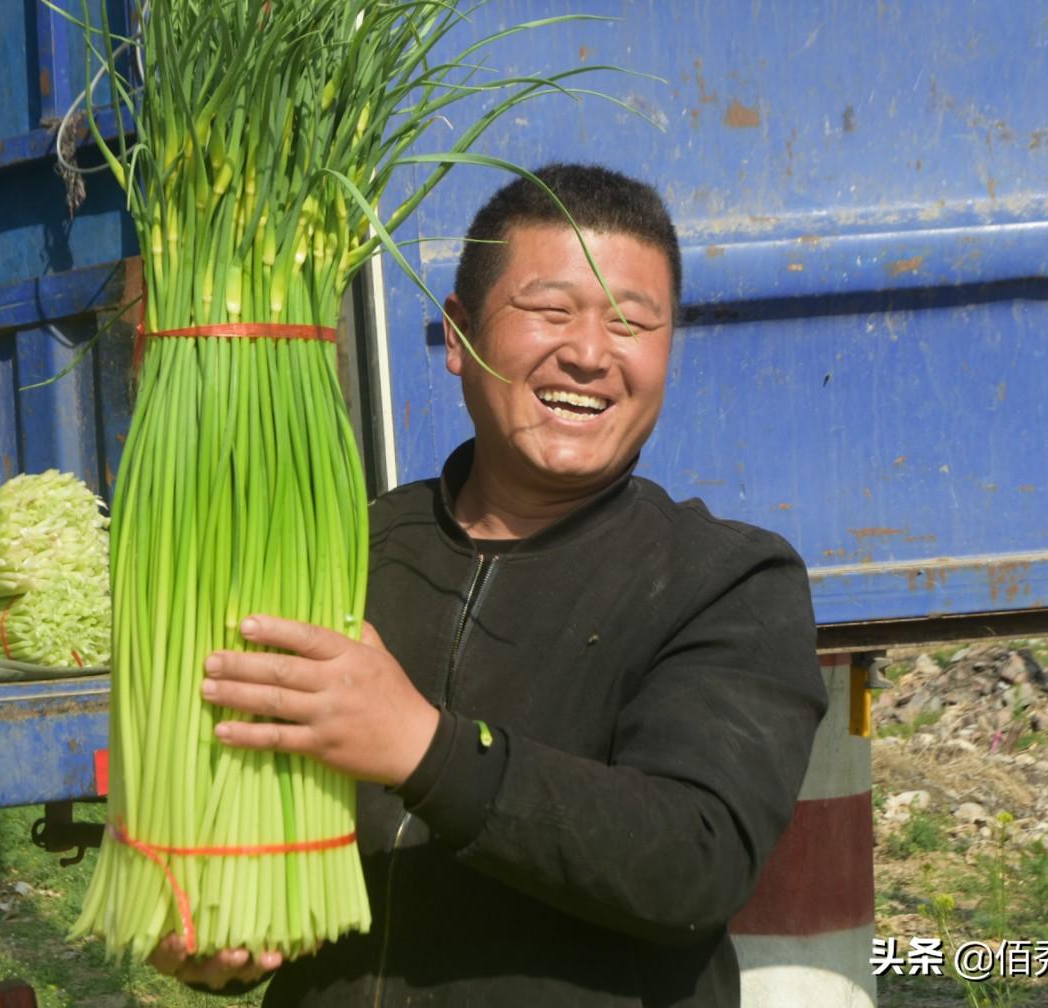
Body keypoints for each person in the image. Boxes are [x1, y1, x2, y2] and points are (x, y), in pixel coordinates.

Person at [150, 163, 828, 1006]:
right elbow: (245, 823)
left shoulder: (725, 580)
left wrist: (423, 749)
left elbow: (695, 859)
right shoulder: (341, 553)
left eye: (631, 323)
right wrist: (214, 931)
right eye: (548, 310)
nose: (587, 353)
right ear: (456, 336)